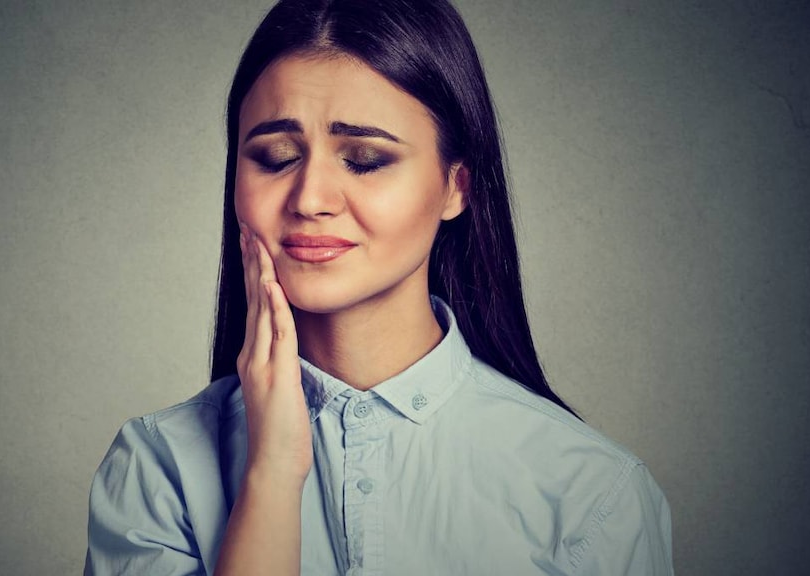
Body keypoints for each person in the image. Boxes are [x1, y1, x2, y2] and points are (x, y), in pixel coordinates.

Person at [84, 0, 674, 574]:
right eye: (275, 156)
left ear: (456, 186)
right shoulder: (157, 466)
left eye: (364, 159)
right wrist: (270, 473)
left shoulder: (594, 495)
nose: (311, 199)